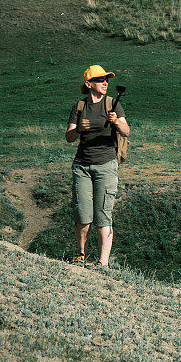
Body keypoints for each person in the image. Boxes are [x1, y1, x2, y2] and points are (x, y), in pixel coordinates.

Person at [65, 65, 130, 270]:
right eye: (100, 79)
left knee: (103, 215)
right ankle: (80, 255)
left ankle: (103, 263)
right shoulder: (79, 107)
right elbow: (69, 137)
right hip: (82, 166)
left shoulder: (113, 104)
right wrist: (79, 130)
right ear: (88, 84)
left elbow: (126, 131)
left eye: (106, 80)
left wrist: (115, 123)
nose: (105, 83)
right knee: (83, 214)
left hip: (106, 166)